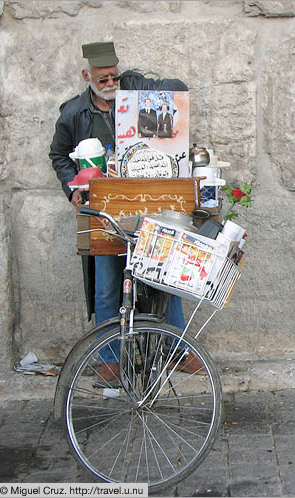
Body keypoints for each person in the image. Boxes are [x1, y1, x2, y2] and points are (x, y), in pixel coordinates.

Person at [49, 41, 201, 383]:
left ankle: (176, 350)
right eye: (103, 78)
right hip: (104, 212)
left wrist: (137, 87)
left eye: (114, 76)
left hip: (147, 205)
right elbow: (58, 155)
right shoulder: (75, 113)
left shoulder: (133, 92)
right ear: (87, 76)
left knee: (163, 275)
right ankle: (110, 359)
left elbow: (177, 90)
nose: (110, 83)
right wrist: (71, 189)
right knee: (107, 287)